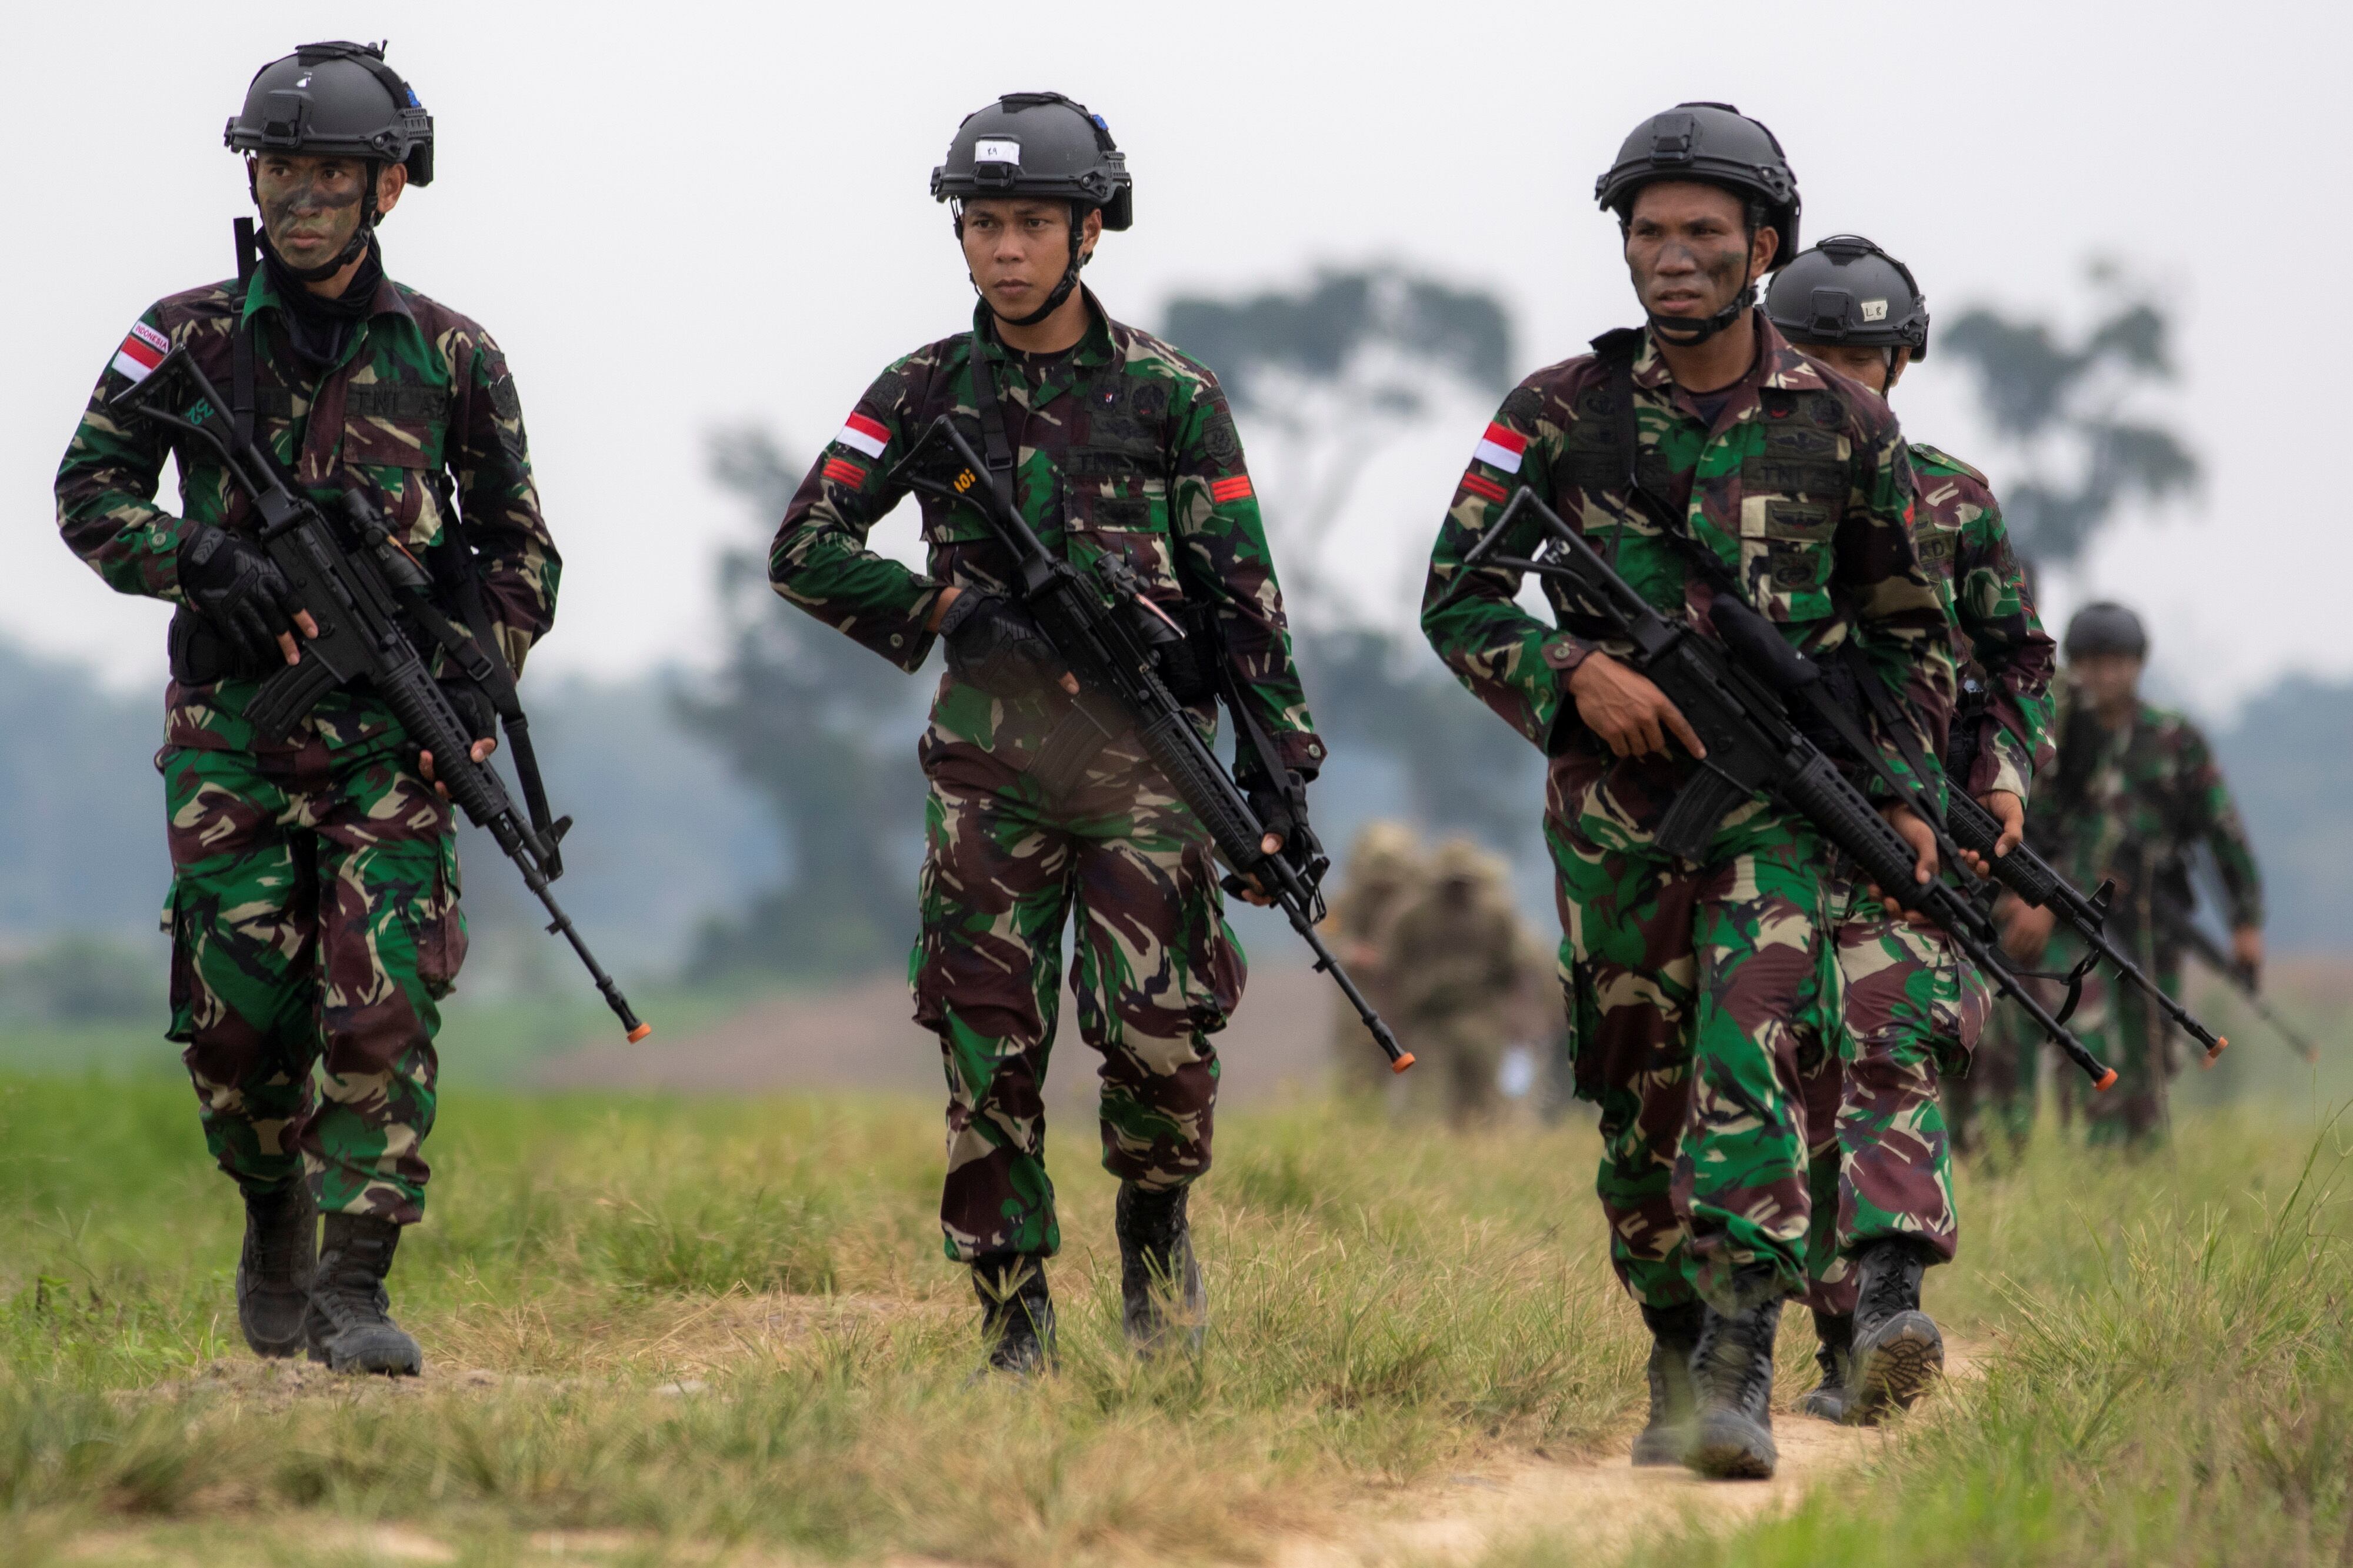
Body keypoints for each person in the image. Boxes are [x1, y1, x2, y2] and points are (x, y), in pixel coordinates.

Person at [1421, 103, 1954, 1479]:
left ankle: (1738, 1365)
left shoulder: (1844, 423)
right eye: (1648, 230)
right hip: (1614, 820)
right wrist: (1571, 669)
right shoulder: (1554, 412)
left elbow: (1906, 638)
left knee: (1749, 1045)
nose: (1671, 254)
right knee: (1636, 1093)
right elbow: (1456, 598)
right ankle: (1672, 1336)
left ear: (1762, 246)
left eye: (1703, 232)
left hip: (1775, 805)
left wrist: (1904, 795)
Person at [769, 93, 1324, 1373]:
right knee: (987, 1043)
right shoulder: (920, 389)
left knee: (1158, 1036)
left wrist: (1280, 779)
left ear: (1089, 230)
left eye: (1030, 223)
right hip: (990, 773)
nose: (1005, 249)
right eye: (983, 223)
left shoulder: (1173, 394)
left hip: (1148, 772)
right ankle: (1012, 1316)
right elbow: (803, 547)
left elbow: (1244, 600)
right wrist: (947, 612)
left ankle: (1154, 1234)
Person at [53, 42, 557, 1376]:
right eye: (280, 166)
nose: (301, 195)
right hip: (230, 735)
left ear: (390, 186)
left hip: (390, 742)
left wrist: (479, 666)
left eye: (332, 171)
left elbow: (521, 548)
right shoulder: (185, 335)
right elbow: (89, 493)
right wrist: (197, 559)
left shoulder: (453, 354)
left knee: (381, 1009)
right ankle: (270, 1200)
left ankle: (353, 1282)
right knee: (237, 1027)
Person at [1763, 236, 2056, 1423]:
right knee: (1791, 1076)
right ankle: (1837, 1340)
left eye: (1862, 359)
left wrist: (2001, 780)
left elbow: (2015, 659)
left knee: (1890, 1043)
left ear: (1900, 362)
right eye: (1815, 358)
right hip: (1767, 829)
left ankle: (1889, 1307)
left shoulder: (1952, 497)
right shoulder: (1728, 496)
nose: (1842, 381)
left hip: (1916, 838)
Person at [2002, 604, 2261, 1146]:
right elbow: (2022, 828)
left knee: (2151, 1053)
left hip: (2148, 918)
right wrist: (2031, 899)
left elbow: (2223, 832)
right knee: (2086, 1037)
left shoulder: (2174, 739)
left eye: (2116, 662)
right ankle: (2094, 1162)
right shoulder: (2050, 738)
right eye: (2090, 663)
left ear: (2138, 665)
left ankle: (2142, 1170)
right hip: (2069, 914)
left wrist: (2245, 922)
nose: (2103, 676)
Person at [1386, 838, 1534, 1126]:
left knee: (1484, 1103)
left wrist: (1517, 1018)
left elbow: (1515, 968)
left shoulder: (1496, 916)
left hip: (1482, 1018)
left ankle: (1485, 1144)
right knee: (1428, 1101)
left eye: (1462, 882)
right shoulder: (1412, 917)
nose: (1456, 889)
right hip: (1428, 1022)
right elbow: (1393, 969)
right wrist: (1397, 1018)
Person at [1322, 820, 1427, 1100]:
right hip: (1363, 992)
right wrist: (1354, 953)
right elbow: (1332, 934)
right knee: (1359, 1064)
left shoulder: (1418, 901)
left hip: (1407, 991)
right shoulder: (1349, 899)